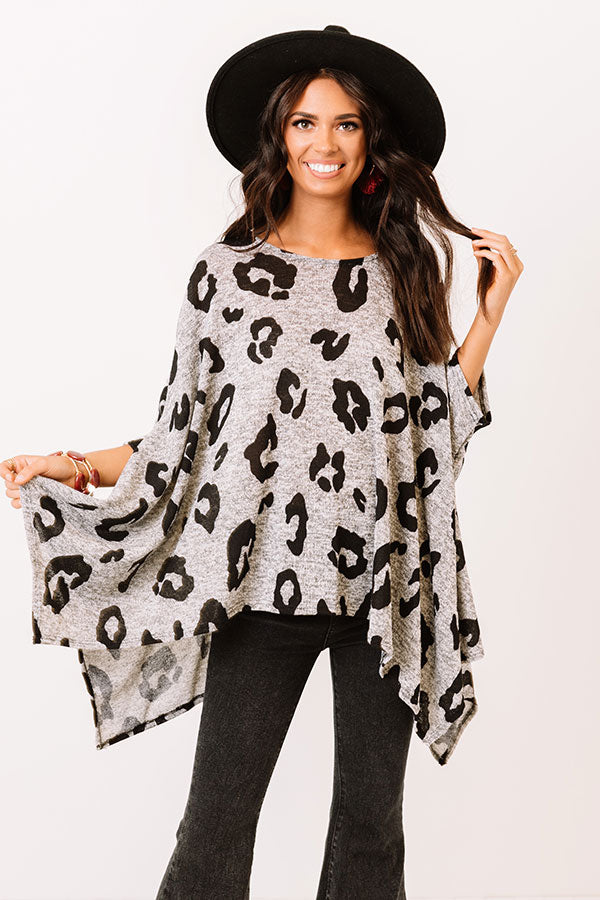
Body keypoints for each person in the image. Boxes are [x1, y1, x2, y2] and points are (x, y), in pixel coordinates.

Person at [2, 25, 523, 900]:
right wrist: (70, 466)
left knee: (371, 835)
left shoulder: (405, 272)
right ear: (280, 136)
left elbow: (426, 444)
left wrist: (487, 319)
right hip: (262, 587)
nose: (326, 143)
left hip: (385, 591)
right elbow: (182, 442)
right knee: (215, 829)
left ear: (370, 141)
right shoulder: (226, 276)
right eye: (306, 122)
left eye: (347, 124)